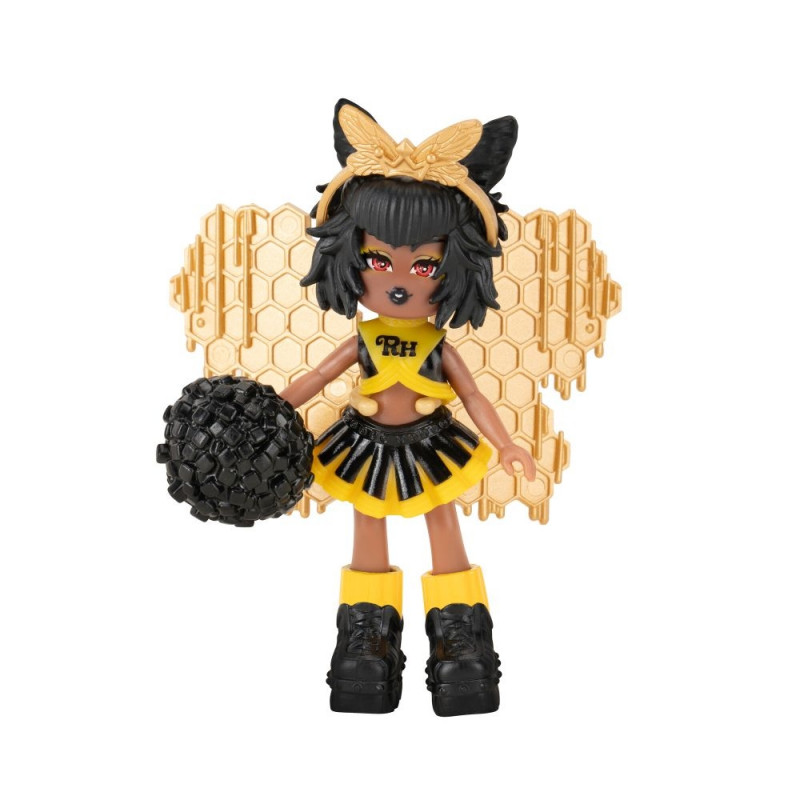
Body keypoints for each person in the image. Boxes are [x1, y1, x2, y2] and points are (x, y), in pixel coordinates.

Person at [280, 99, 535, 716]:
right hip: (363, 441)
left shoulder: (437, 345)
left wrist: (505, 442)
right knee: (368, 521)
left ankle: (460, 634)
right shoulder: (363, 339)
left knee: (441, 519)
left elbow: (473, 395)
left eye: (425, 264)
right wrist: (273, 407)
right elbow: (317, 375)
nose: (399, 281)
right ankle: (366, 636)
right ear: (347, 254)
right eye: (378, 260)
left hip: (430, 440)